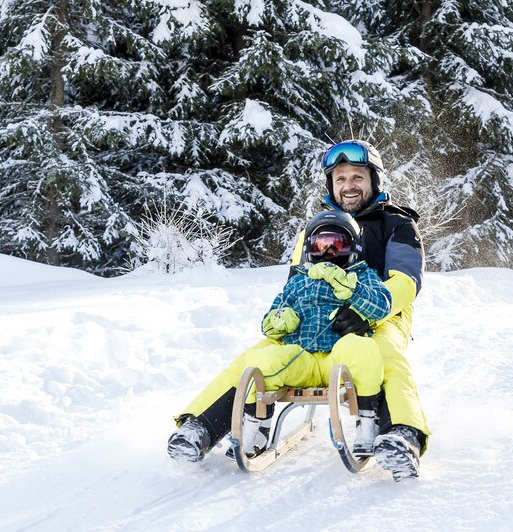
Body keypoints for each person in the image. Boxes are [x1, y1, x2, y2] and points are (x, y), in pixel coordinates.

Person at [168, 140, 430, 481]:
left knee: (385, 355)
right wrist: (284, 319)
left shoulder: (397, 224)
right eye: (340, 178)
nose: (348, 185)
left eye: (357, 177)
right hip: (315, 316)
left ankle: (403, 435)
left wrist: (366, 312)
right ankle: (199, 427)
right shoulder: (316, 228)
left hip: (382, 315)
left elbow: (406, 282)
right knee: (259, 353)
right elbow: (296, 280)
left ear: (373, 180)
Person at [167, 210, 392, 463]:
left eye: (337, 245)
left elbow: (383, 305)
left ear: (352, 248)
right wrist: (280, 320)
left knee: (362, 348)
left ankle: (368, 424)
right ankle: (258, 426)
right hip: (301, 358)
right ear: (310, 249)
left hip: (338, 357)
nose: (328, 253)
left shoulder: (362, 275)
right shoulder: (298, 281)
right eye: (321, 245)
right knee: (261, 360)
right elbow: (269, 320)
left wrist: (350, 287)